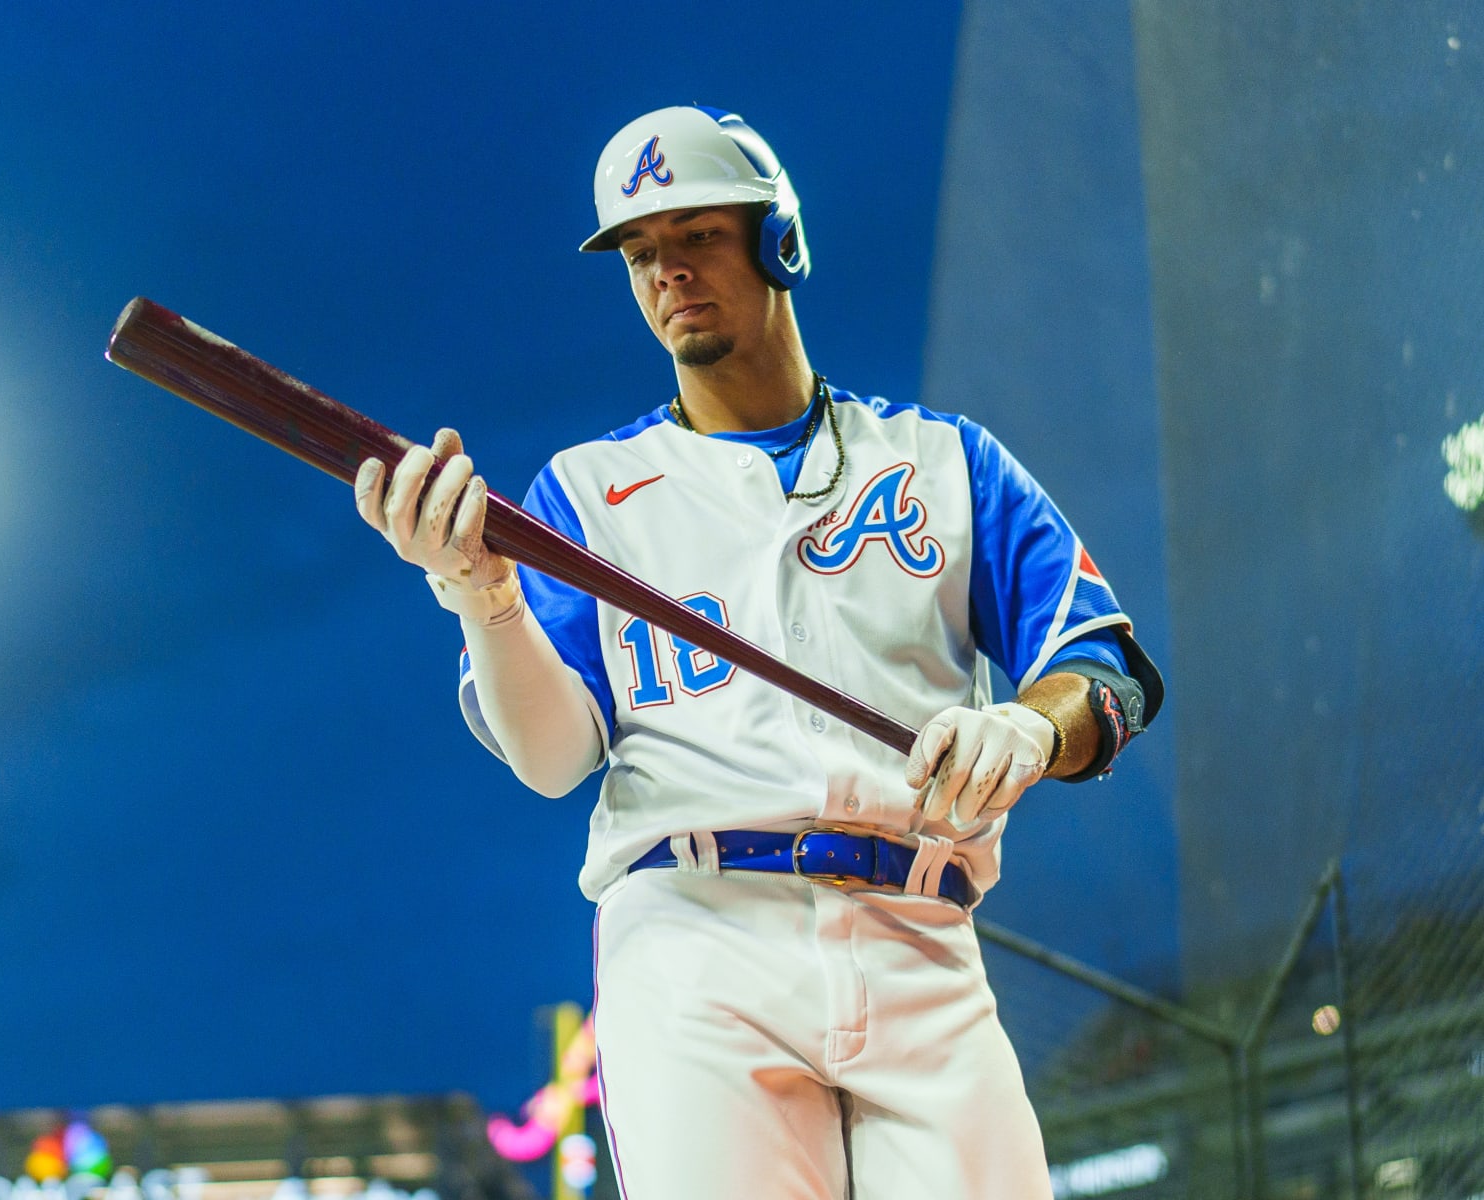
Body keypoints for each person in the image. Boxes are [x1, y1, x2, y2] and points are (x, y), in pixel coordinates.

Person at [354, 105, 1162, 1200]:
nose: (667, 271)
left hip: (920, 927)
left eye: (697, 235)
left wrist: (1030, 725)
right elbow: (549, 760)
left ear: (779, 237)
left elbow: (1105, 673)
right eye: (641, 252)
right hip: (697, 936)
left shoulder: (943, 461)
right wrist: (478, 590)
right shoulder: (587, 494)